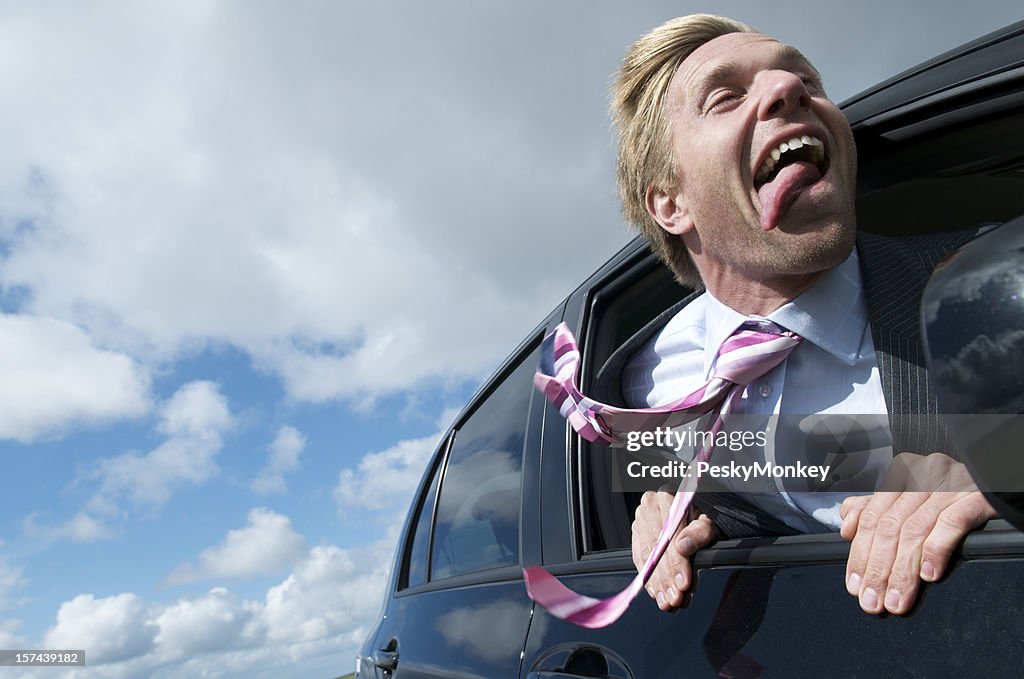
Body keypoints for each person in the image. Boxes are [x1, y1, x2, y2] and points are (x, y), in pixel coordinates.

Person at [608, 15, 997, 617]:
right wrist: (696, 508)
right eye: (726, 97)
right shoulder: (637, 383)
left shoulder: (989, 280)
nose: (788, 91)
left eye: (804, 79)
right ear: (671, 201)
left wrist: (1004, 475)